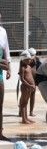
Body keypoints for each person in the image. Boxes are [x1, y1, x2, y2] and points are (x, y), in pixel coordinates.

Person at [0, 13, 11, 141]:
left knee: (0, 105)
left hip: (0, 76)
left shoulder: (3, 31)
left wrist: (9, 68)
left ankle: (0, 132)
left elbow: (6, 51)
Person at [19, 50, 36, 124]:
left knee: (26, 103)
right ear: (23, 60)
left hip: (29, 88)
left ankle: (26, 118)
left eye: (29, 59)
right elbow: (22, 79)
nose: (29, 60)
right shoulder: (22, 68)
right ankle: (23, 119)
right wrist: (29, 85)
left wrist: (33, 85)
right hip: (25, 87)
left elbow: (31, 77)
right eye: (28, 59)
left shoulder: (28, 66)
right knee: (23, 104)